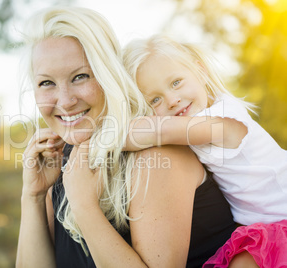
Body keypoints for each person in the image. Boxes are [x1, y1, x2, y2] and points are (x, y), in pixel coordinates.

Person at [15, 7, 236, 268]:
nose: (64, 101)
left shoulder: (157, 154)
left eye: (80, 76)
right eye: (46, 83)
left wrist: (85, 207)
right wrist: (33, 196)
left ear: (109, 74)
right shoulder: (64, 164)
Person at [122, 34, 287, 267]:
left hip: (281, 221)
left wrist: (96, 137)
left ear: (200, 71)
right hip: (263, 226)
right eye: (154, 100)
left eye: (176, 82)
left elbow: (161, 131)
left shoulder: (223, 120)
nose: (172, 100)